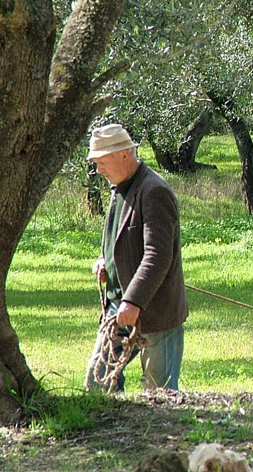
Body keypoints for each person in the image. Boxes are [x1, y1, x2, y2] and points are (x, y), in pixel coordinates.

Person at [84, 123, 188, 391]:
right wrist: (106, 260)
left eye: (102, 162)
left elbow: (157, 256)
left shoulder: (154, 191)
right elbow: (122, 237)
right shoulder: (120, 187)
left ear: (123, 155)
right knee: (98, 383)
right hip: (117, 307)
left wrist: (133, 301)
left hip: (155, 312)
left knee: (160, 392)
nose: (99, 170)